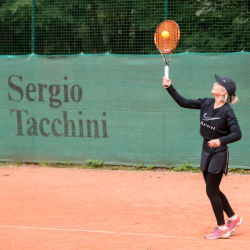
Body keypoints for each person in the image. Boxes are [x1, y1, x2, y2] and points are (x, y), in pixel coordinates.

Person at [162, 74, 243, 239]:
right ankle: (233, 219)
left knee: (211, 190)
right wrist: (169, 88)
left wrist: (220, 140)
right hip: (206, 150)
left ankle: (222, 228)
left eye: (218, 83)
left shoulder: (228, 111)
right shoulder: (206, 102)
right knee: (213, 189)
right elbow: (183, 102)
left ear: (223, 91)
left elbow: (237, 133)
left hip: (218, 153)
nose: (214, 83)